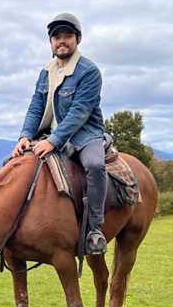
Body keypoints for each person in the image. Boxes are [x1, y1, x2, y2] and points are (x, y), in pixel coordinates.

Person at [11, 13, 108, 255]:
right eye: (56, 37)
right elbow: (36, 106)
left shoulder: (89, 71)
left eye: (67, 36)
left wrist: (54, 141)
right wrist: (25, 136)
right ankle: (11, 225)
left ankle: (95, 229)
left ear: (78, 39)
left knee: (95, 166)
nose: (61, 41)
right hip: (49, 134)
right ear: (51, 42)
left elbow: (80, 112)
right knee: (11, 165)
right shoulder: (46, 72)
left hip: (85, 134)